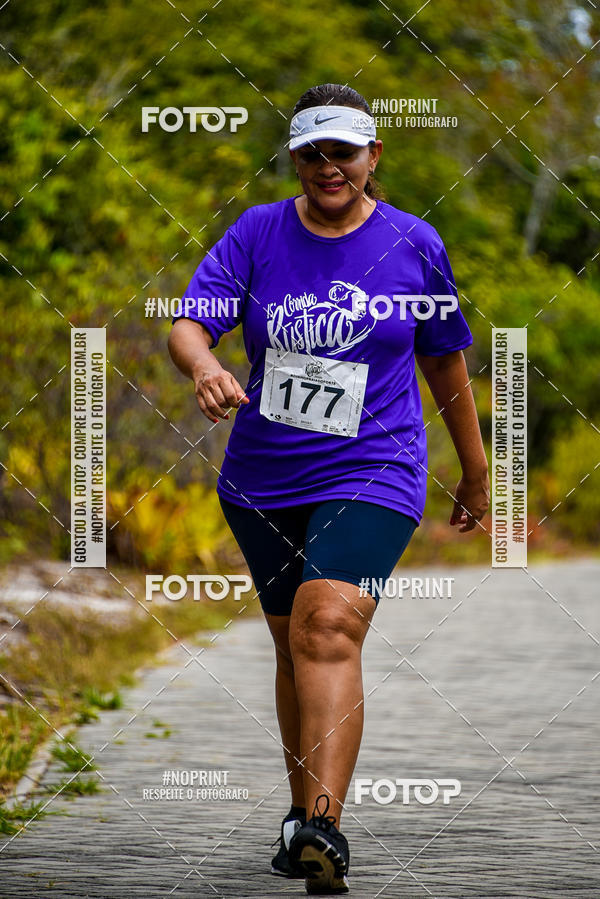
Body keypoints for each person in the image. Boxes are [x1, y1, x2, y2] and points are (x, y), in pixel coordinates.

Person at [168, 83, 489, 895]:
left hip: (376, 466)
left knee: (328, 622)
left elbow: (444, 358)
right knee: (294, 643)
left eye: (343, 151)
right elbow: (189, 320)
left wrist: (477, 468)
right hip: (264, 475)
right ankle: (301, 821)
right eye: (311, 152)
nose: (327, 166)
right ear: (295, 159)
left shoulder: (415, 243)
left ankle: (326, 825)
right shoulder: (258, 231)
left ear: (374, 155)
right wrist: (205, 364)